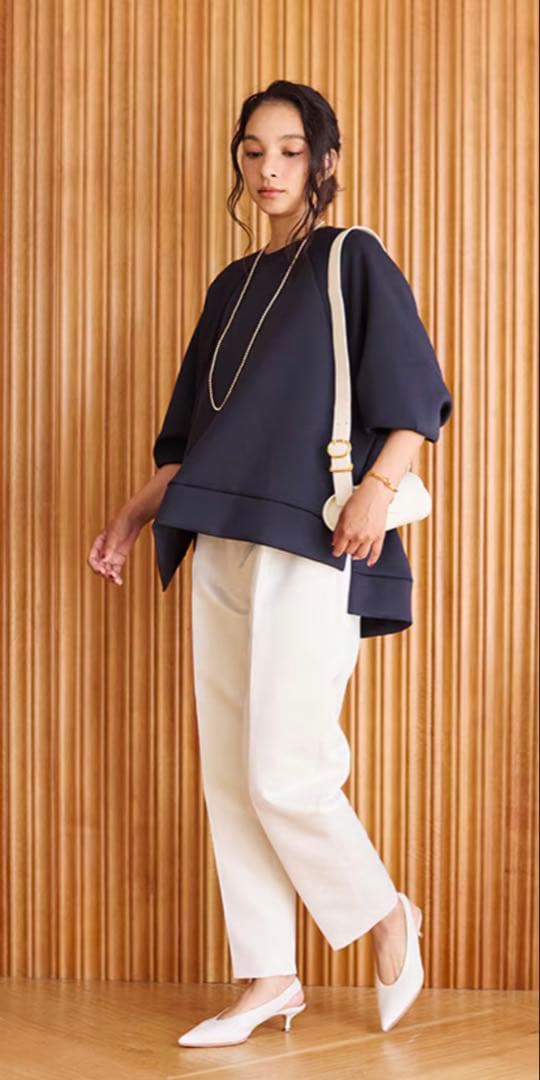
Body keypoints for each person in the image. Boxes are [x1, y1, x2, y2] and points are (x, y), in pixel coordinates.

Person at [88, 80, 453, 1048]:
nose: (268, 168)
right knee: (231, 771)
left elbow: (416, 396)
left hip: (314, 537)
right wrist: (131, 517)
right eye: (253, 150)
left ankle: (385, 914)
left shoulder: (351, 257)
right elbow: (192, 442)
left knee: (283, 768)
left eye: (290, 150)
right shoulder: (230, 287)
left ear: (323, 162)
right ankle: (268, 976)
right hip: (220, 538)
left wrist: (379, 487)